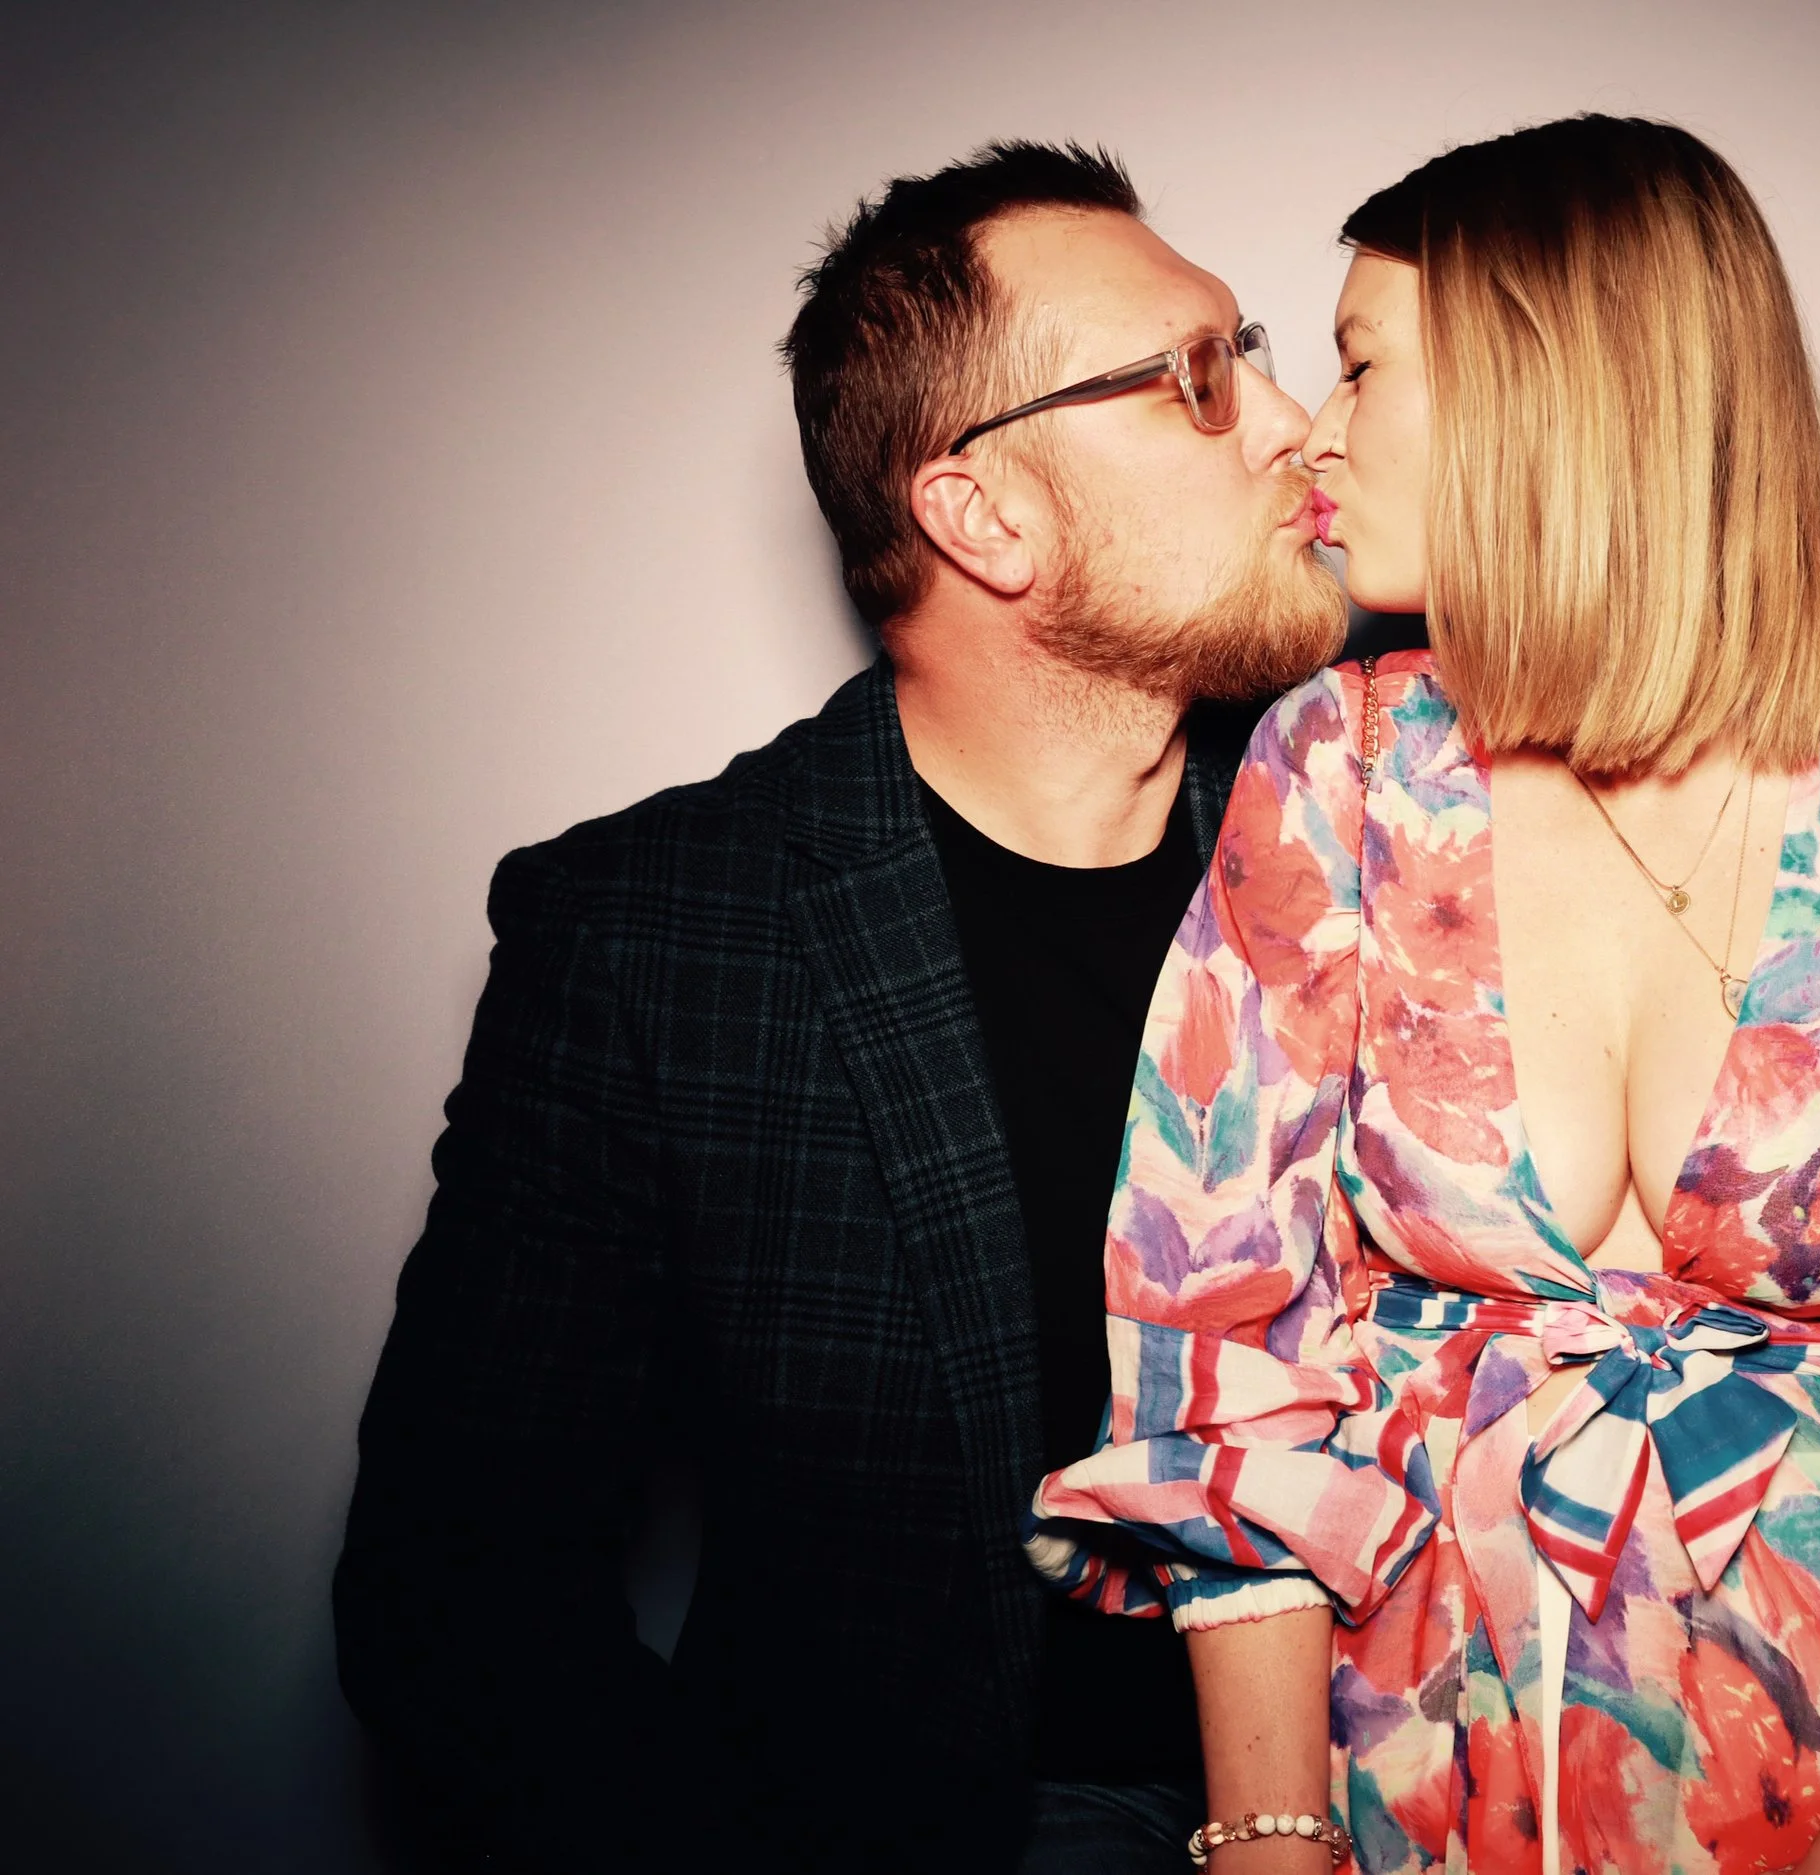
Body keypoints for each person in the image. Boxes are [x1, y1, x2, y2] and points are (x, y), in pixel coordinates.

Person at [1029, 116, 1820, 1875]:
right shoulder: (1339, 768)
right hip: (1412, 1781)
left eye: (1363, 364)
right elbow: (1216, 1342)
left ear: (1550, 387)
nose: (1313, 429)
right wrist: (1271, 1839)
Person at [331, 141, 1347, 1872]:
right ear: (981, 512)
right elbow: (459, 1602)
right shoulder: (655, 940)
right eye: (1197, 376)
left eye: (1249, 351)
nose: (1290, 425)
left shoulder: (1383, 827)